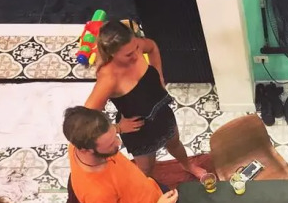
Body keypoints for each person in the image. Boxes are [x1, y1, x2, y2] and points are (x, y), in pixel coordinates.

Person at [84, 21, 204, 179]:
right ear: (112, 54)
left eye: (136, 48)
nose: (136, 55)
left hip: (161, 112)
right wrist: (117, 128)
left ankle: (187, 165)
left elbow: (152, 47)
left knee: (175, 143)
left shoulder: (135, 45)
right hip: (138, 129)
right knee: (146, 169)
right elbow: (86, 118)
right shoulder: (109, 79)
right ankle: (146, 189)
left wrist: (159, 75)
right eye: (128, 55)